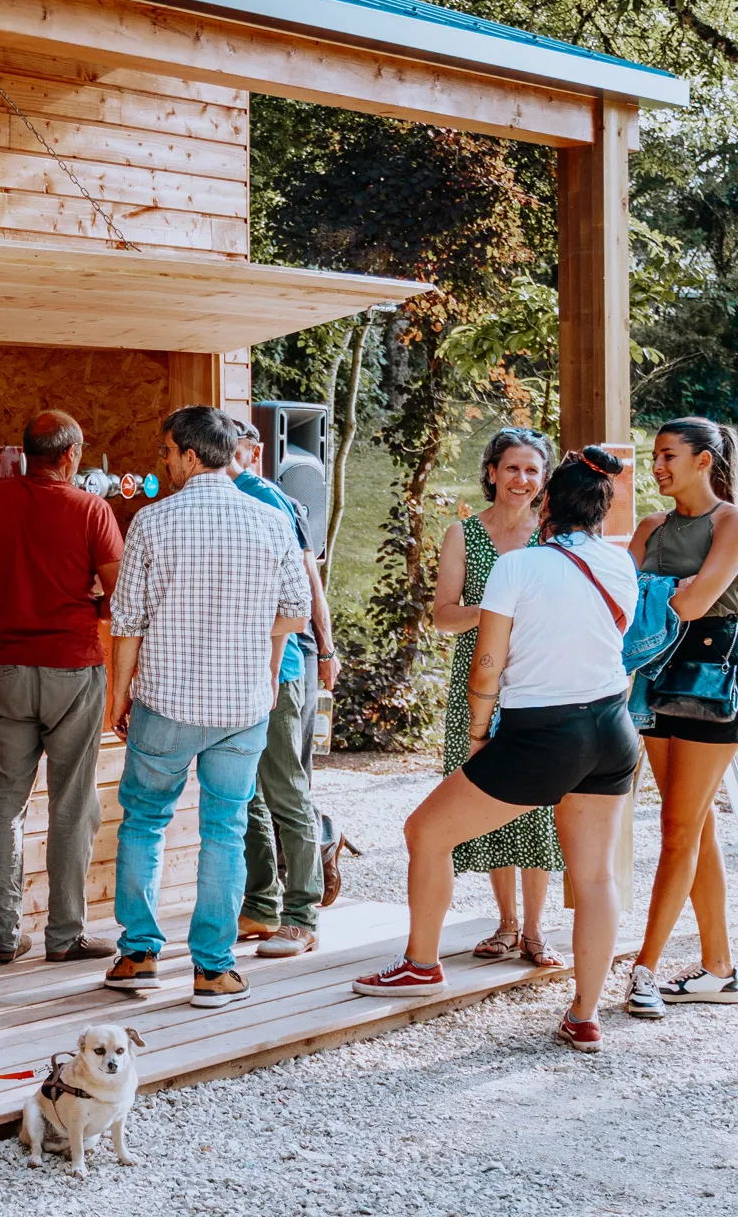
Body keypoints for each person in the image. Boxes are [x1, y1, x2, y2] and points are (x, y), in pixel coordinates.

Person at [355, 448, 637, 1054]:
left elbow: (487, 664)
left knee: (426, 833)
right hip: (613, 731)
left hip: (542, 733)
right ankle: (586, 1014)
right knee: (593, 874)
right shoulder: (620, 565)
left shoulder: (518, 565)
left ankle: (421, 963)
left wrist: (480, 733)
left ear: (545, 506)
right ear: (601, 510)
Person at [103, 406, 310, 1009]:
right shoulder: (270, 519)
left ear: (191, 456)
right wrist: (270, 675)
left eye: (168, 452)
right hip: (243, 706)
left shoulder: (151, 521)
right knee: (226, 829)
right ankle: (213, 971)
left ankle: (138, 954)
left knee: (145, 821)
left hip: (165, 703)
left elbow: (127, 622)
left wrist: (119, 697)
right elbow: (294, 612)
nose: (163, 462)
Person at [0, 410, 125, 965]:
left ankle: (1, 937)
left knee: (5, 809)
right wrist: (91, 598)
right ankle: (64, 937)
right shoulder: (93, 509)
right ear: (69, 455)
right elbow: (120, 596)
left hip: (10, 672)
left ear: (24, 454)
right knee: (71, 806)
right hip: (72, 668)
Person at [432, 428, 567, 968]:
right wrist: (498, 614)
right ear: (491, 472)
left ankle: (536, 931)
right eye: (512, 468)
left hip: (539, 682)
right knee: (487, 800)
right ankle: (507, 925)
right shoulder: (463, 534)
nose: (523, 480)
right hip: (476, 685)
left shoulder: (554, 535)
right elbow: (443, 615)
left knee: (537, 805)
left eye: (533, 470)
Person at [624, 417, 738, 1016]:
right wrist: (676, 590)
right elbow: (620, 605)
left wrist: (658, 593)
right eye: (655, 455)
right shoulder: (649, 526)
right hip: (653, 686)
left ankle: (644, 968)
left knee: (676, 827)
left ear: (704, 461)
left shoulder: (733, 522)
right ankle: (720, 968)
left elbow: (694, 603)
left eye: (669, 455)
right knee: (693, 827)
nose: (658, 466)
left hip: (712, 689)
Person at [226, 418, 339, 958]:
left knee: (285, 791)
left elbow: (306, 579)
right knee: (245, 793)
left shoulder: (265, 496)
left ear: (253, 451)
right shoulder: (216, 497)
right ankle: (261, 905)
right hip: (232, 672)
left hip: (281, 669)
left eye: (238, 445)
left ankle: (303, 912)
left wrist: (327, 647)